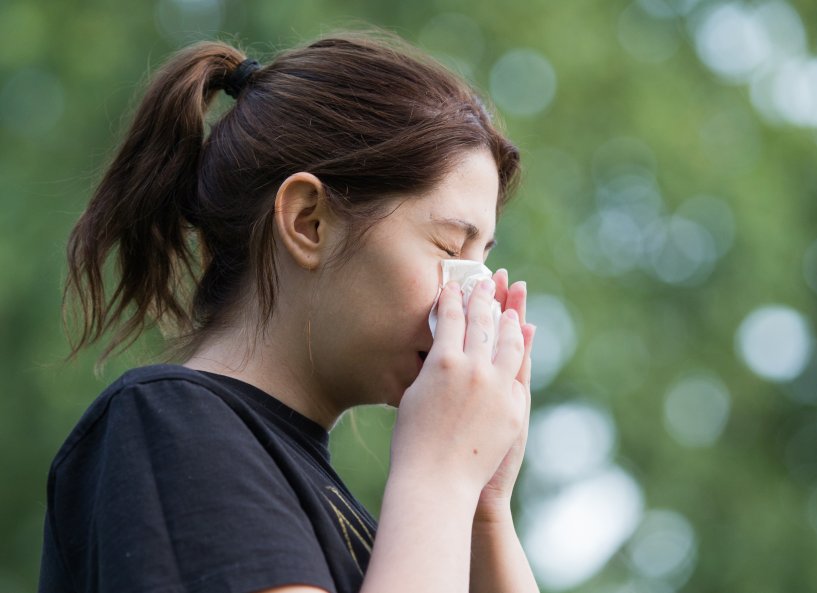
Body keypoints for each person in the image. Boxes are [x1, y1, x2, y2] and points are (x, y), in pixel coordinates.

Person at [40, 29, 539, 593]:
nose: (477, 299)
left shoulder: (377, 520)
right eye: (450, 249)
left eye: (482, 262)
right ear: (309, 223)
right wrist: (441, 476)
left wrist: (483, 507)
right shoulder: (171, 424)